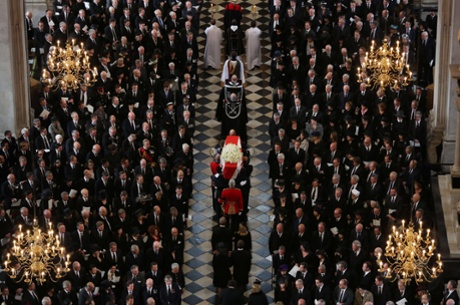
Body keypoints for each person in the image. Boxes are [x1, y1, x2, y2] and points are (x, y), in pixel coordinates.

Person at [216, 75, 248, 141]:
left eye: (235, 79)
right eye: (233, 79)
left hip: (236, 110)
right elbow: (220, 101)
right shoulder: (225, 88)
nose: (234, 80)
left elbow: (243, 102)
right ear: (231, 79)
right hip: (228, 109)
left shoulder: (240, 88)